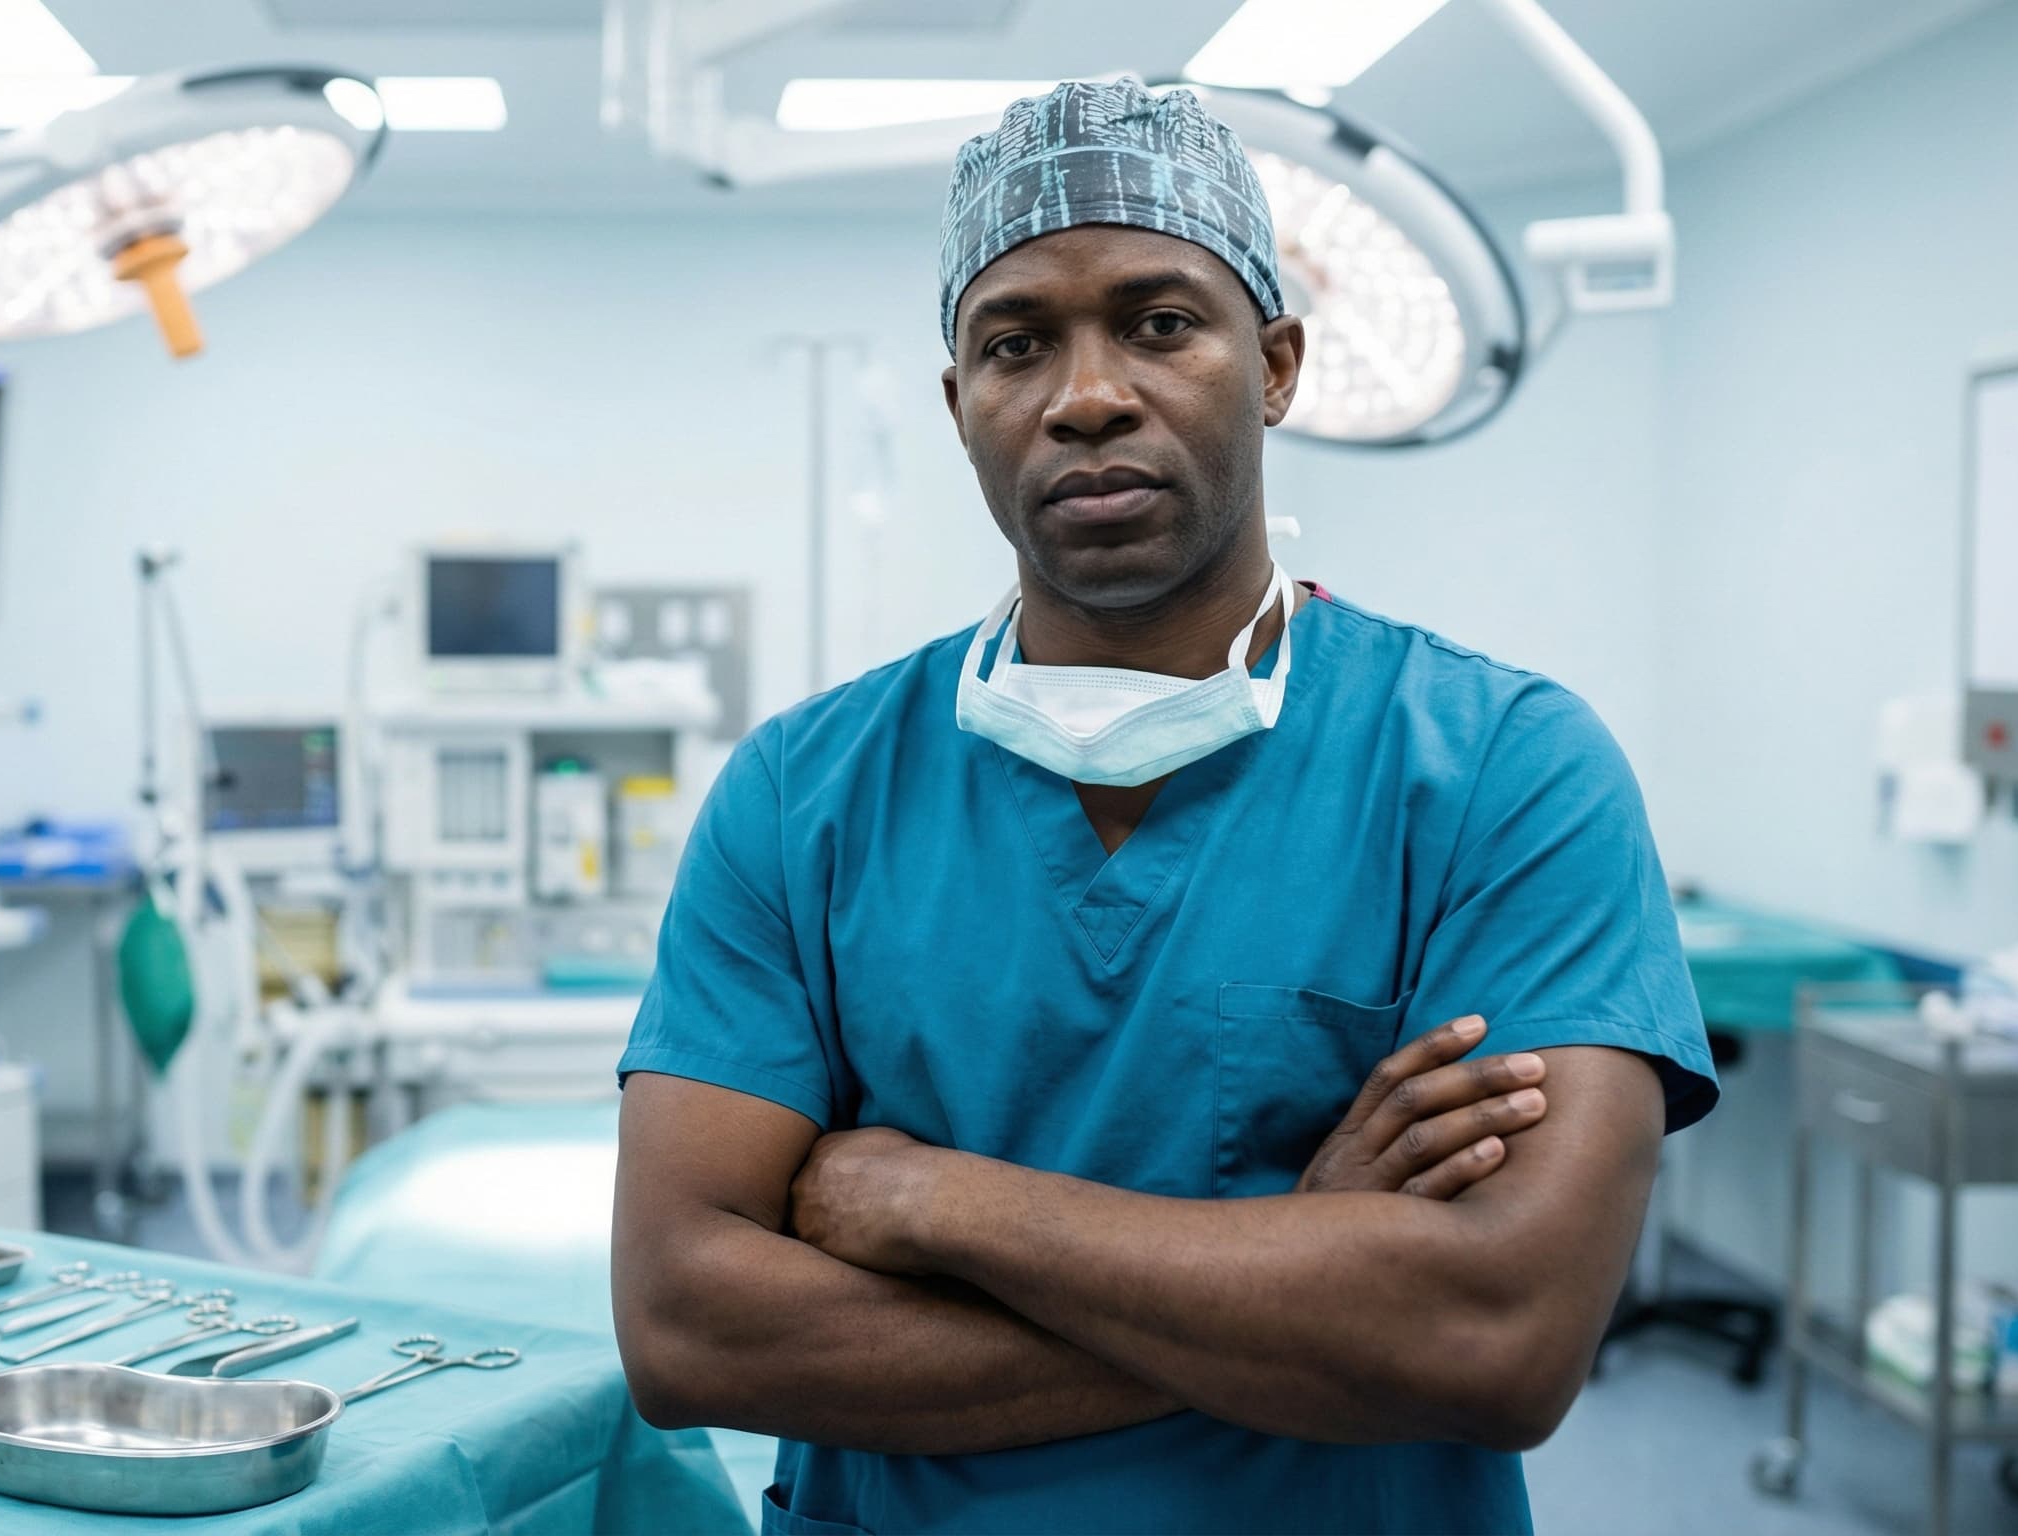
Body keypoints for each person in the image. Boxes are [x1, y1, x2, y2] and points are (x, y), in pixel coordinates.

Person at [609, 80, 1718, 1536]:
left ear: (1276, 366)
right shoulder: (802, 793)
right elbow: (688, 1329)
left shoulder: (1503, 769)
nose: (1086, 396)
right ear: (960, 406)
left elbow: (1495, 1338)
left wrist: (935, 1204)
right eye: (1015, 344)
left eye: (1159, 323)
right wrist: (1300, 1266)